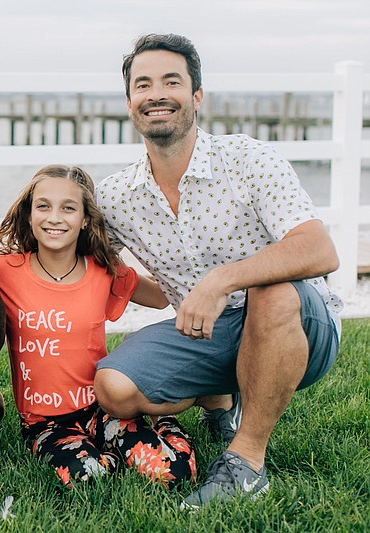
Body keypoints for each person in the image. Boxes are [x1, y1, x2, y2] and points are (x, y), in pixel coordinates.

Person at [93, 34, 343, 509]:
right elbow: (87, 262)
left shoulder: (249, 160)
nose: (157, 93)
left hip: (300, 324)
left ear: (197, 95)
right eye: (143, 85)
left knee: (268, 292)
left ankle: (245, 463)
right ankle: (221, 403)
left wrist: (220, 280)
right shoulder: (116, 196)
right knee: (114, 388)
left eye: (172, 81)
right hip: (209, 332)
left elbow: (319, 249)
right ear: (130, 103)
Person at [0, 164, 196, 489]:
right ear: (29, 214)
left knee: (174, 474)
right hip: (45, 423)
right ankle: (106, 456)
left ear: (85, 219)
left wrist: (152, 239)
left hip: (103, 408)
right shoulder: (3, 270)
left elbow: (159, 298)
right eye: (43, 206)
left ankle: (163, 420)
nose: (54, 217)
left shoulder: (104, 270)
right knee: (90, 480)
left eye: (68, 208)